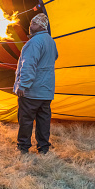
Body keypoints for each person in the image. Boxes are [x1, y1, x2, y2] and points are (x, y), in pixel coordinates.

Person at [13, 13, 58, 155]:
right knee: (43, 121)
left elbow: (28, 65)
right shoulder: (51, 41)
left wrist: (23, 85)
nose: (30, 26)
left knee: (26, 120)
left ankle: (23, 148)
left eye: (33, 23)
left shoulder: (34, 42)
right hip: (46, 92)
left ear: (41, 26)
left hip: (32, 91)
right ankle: (44, 148)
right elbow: (55, 57)